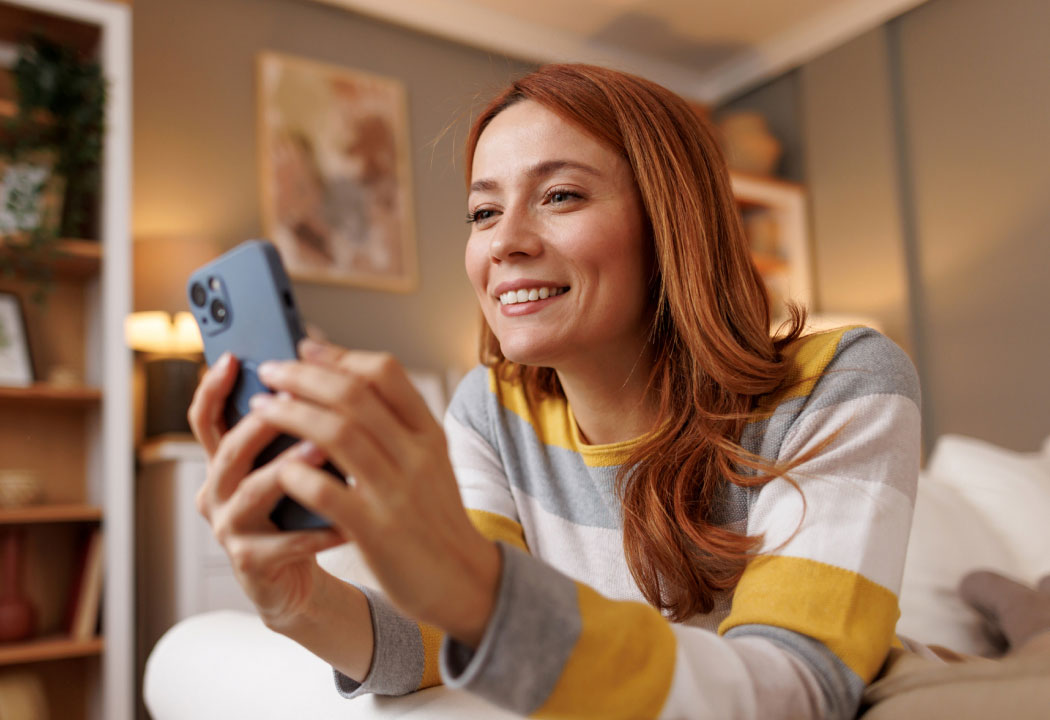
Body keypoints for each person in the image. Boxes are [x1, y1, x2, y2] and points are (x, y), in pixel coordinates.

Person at [188, 64, 1049, 719]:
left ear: (670, 224)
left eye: (560, 195)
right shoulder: (491, 409)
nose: (505, 241)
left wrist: (469, 579)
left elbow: (795, 688)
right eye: (483, 212)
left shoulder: (846, 378)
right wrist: (299, 603)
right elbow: (445, 634)